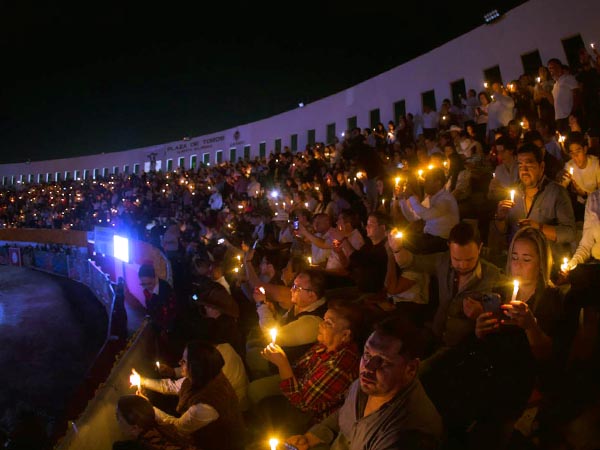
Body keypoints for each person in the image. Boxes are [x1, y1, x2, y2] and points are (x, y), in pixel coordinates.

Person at [284, 315, 443, 450]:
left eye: (383, 362)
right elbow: (346, 413)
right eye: (367, 354)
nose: (368, 367)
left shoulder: (406, 434)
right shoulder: (366, 385)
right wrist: (312, 437)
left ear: (410, 369)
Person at [253, 300, 364, 429]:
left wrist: (282, 363)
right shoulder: (325, 345)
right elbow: (299, 367)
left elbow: (302, 403)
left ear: (345, 334)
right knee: (255, 389)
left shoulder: (340, 365)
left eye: (328, 323)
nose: (321, 325)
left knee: (260, 398)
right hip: (297, 385)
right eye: (323, 319)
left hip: (308, 416)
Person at [134, 341, 245, 450]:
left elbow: (178, 428)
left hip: (221, 444)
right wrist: (142, 380)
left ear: (195, 368)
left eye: (184, 361)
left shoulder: (207, 404)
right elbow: (171, 386)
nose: (179, 362)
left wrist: (148, 408)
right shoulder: (206, 375)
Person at [494, 143, 575, 264]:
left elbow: (570, 233)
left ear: (541, 167)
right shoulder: (514, 192)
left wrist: (539, 228)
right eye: (520, 165)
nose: (524, 170)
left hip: (546, 262)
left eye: (529, 164)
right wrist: (500, 217)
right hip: (518, 262)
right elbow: (503, 231)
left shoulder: (557, 193)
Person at [398, 167, 460, 254]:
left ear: (438, 182)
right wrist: (402, 200)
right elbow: (412, 217)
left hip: (443, 240)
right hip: (429, 237)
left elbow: (427, 215)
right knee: (398, 239)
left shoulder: (446, 199)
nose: (424, 183)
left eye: (427, 180)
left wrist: (411, 196)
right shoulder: (430, 198)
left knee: (402, 242)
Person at [113, 395, 196, 450]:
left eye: (118, 417)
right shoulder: (166, 429)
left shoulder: (147, 446)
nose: (117, 421)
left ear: (134, 427)